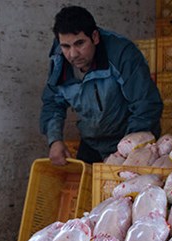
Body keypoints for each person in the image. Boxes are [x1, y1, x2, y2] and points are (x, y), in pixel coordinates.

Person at [40, 5, 163, 165]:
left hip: (130, 139)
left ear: (95, 37)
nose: (73, 54)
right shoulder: (59, 62)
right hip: (92, 143)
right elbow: (52, 102)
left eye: (80, 43)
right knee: (88, 188)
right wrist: (54, 140)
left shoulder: (122, 54)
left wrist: (127, 151)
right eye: (66, 46)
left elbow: (145, 103)